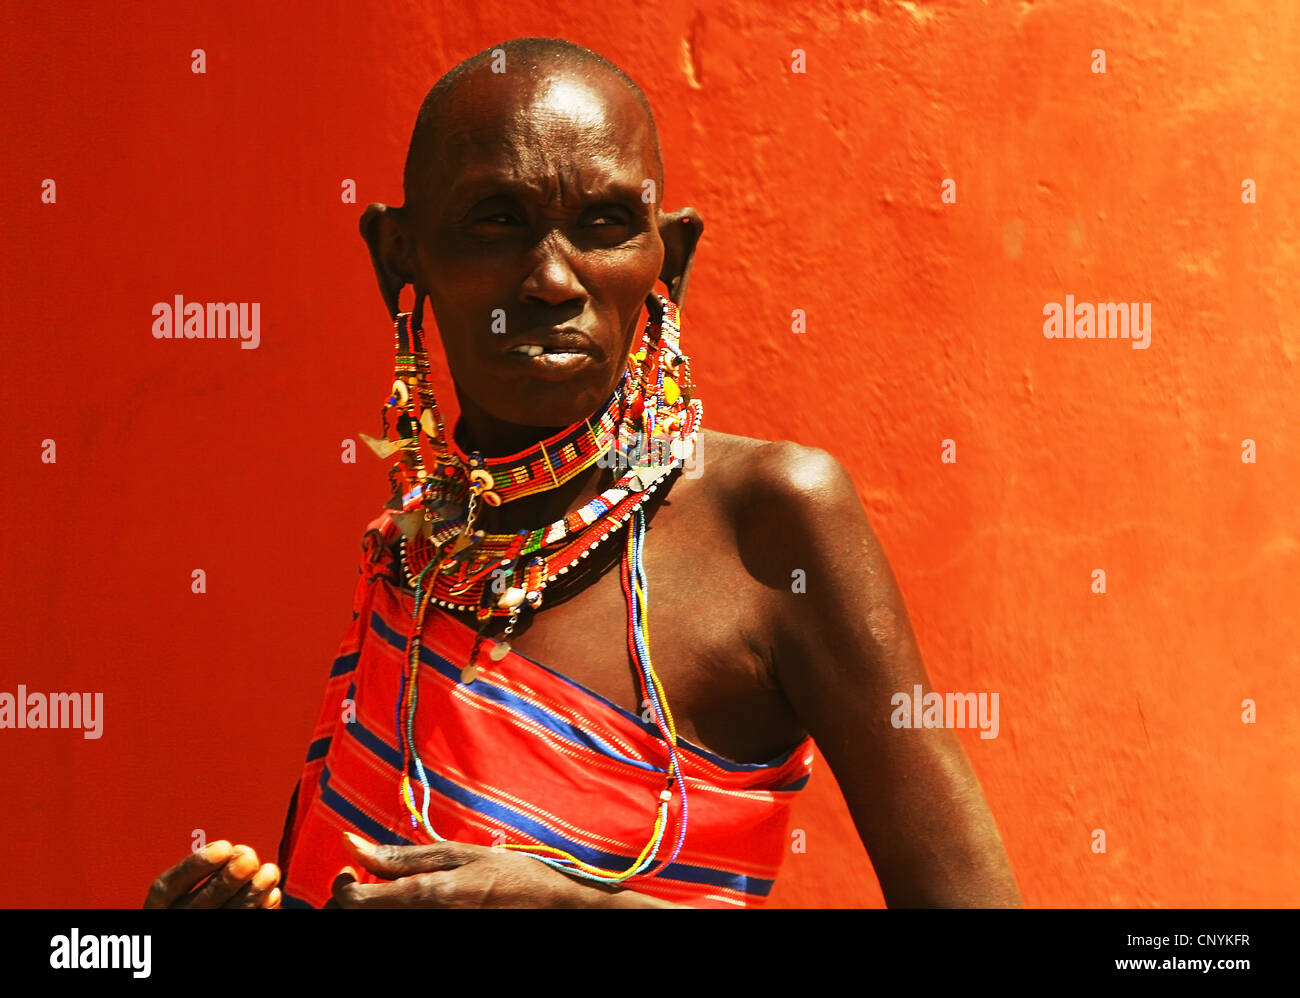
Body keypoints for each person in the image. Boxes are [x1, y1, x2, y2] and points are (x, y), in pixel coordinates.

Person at [144, 36, 1021, 910]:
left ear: (669, 258)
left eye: (605, 224)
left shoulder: (770, 521)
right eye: (496, 219)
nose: (553, 279)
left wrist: (581, 909)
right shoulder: (421, 541)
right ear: (398, 254)